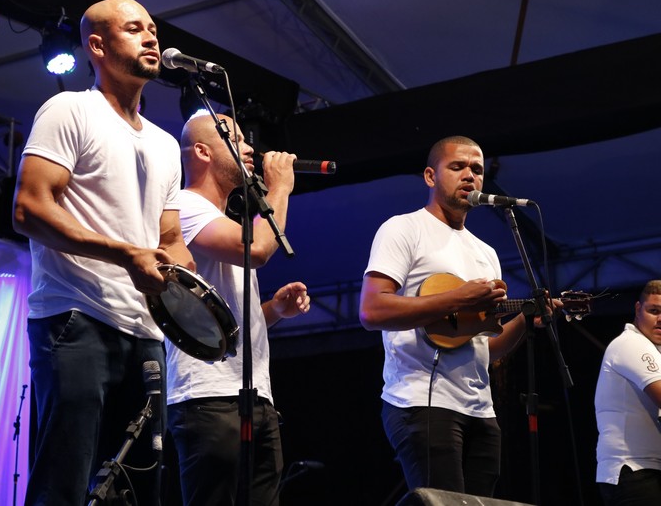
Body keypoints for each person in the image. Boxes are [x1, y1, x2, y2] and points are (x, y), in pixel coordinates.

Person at [11, 0, 194, 506]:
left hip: (145, 332)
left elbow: (170, 237)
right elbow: (28, 209)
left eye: (153, 28)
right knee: (64, 484)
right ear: (97, 45)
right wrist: (125, 254)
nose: (151, 37)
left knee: (136, 491)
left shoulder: (164, 144)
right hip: (76, 318)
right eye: (134, 29)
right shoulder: (71, 109)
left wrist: (183, 271)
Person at [358, 135, 555, 497]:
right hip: (421, 401)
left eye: (477, 169)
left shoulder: (486, 253)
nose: (469, 175)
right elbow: (372, 310)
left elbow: (486, 349)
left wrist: (526, 321)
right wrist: (458, 297)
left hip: (480, 408)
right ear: (430, 176)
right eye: (457, 167)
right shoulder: (404, 228)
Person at [166, 112, 311, 506]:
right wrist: (280, 188)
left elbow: (224, 319)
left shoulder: (225, 220)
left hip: (255, 395)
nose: (249, 149)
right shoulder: (184, 206)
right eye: (235, 139)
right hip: (208, 396)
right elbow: (259, 249)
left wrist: (273, 310)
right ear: (202, 152)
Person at [595, 280, 661, 505]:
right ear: (638, 309)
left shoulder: (653, 350)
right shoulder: (632, 344)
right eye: (654, 311)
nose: (660, 319)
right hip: (633, 470)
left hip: (645, 469)